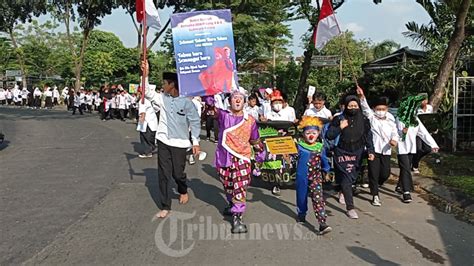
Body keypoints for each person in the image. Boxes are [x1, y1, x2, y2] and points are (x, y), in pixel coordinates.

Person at [143, 61, 201, 219]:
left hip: (180, 143)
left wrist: (195, 142)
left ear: (172, 84)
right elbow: (147, 92)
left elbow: (195, 122)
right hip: (163, 141)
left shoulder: (187, 102)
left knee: (178, 174)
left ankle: (183, 189)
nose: (163, 85)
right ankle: (165, 206)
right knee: (163, 174)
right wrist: (146, 74)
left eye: (164, 83)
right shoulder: (163, 98)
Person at [214, 89, 263, 234]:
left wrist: (260, 152)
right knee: (228, 184)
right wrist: (209, 94)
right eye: (234, 98)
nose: (237, 100)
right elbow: (210, 111)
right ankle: (232, 204)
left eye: (240, 98)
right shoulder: (223, 116)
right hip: (224, 156)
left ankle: (238, 218)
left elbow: (254, 139)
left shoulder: (250, 120)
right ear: (229, 101)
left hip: (242, 157)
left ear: (244, 102)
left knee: (239, 186)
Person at [326, 94, 375, 219]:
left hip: (357, 152)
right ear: (345, 106)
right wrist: (340, 128)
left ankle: (342, 189)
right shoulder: (339, 118)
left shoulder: (364, 120)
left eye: (355, 105)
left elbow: (368, 136)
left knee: (351, 177)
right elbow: (329, 135)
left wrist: (370, 151)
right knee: (347, 178)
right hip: (342, 151)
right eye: (350, 106)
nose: (353, 108)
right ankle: (350, 207)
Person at [357, 87, 398, 206]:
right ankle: (375, 195)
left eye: (383, 109)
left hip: (386, 150)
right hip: (373, 150)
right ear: (374, 109)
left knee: (385, 173)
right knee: (374, 172)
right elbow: (365, 107)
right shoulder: (371, 117)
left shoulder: (390, 118)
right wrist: (361, 96)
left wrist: (394, 140)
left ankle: (376, 184)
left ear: (387, 109)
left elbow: (394, 131)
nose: (380, 111)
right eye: (378, 109)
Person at [395, 95, 439, 203]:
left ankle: (400, 186)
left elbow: (423, 133)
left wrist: (433, 144)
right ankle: (406, 192)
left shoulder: (415, 120)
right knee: (406, 168)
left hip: (411, 148)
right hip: (401, 148)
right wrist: (401, 132)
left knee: (405, 168)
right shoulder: (399, 118)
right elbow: (393, 132)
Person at [295, 116, 332, 234]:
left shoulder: (320, 147)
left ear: (318, 134)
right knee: (301, 197)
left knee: (318, 199)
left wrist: (326, 170)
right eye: (308, 133)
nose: (311, 135)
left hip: (316, 177)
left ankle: (322, 223)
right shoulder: (299, 146)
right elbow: (292, 157)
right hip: (302, 176)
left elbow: (325, 160)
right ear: (303, 134)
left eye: (314, 133)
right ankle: (301, 214)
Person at [412, 93, 434, 174]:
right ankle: (415, 165)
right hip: (417, 132)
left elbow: (431, 118)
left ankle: (414, 160)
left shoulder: (429, 108)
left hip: (426, 132)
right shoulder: (415, 109)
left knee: (427, 149)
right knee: (418, 149)